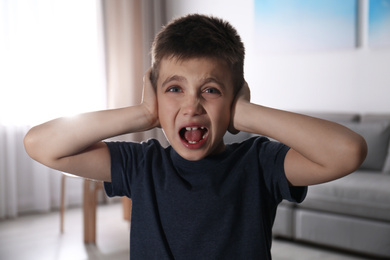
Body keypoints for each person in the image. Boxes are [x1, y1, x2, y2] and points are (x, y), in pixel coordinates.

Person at [24, 14, 367, 259]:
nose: (192, 105)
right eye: (174, 88)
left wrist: (245, 113)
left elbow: (348, 151)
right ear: (155, 95)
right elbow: (40, 145)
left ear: (235, 97)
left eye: (211, 90)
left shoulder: (260, 163)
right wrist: (143, 113)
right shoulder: (141, 164)